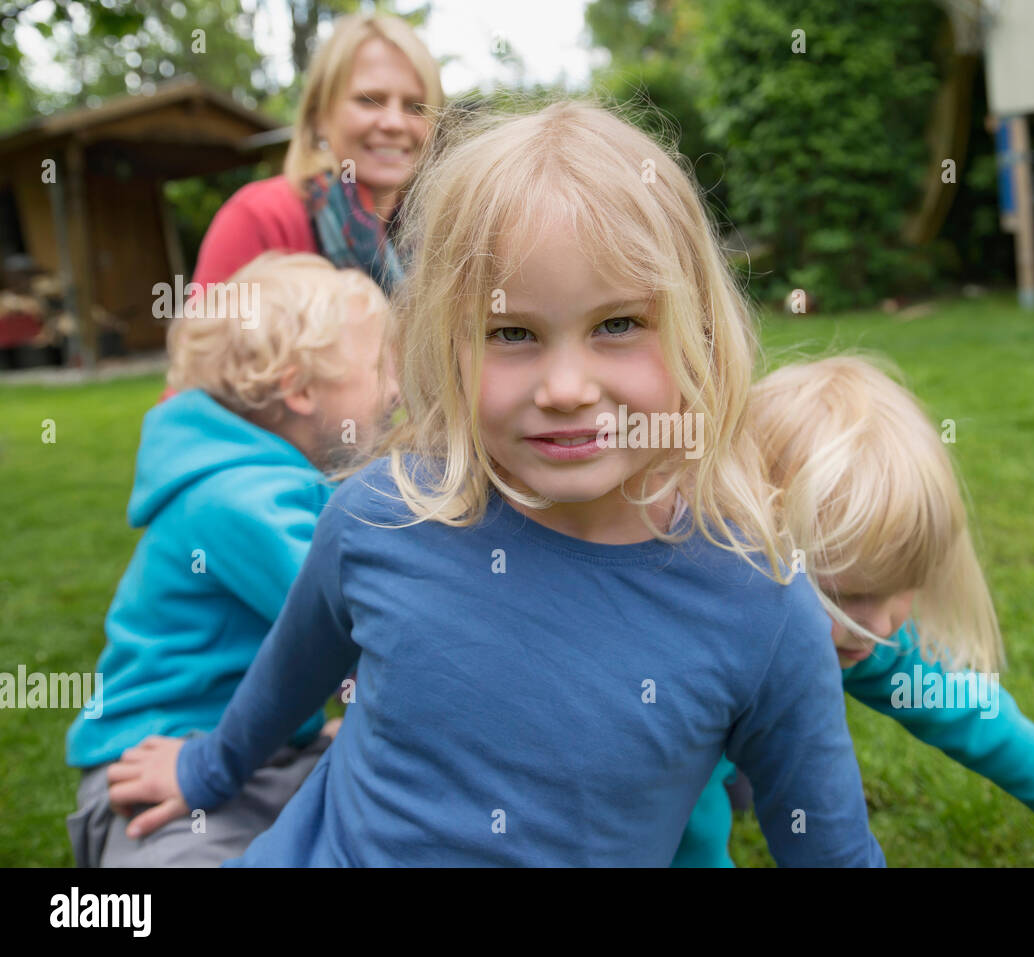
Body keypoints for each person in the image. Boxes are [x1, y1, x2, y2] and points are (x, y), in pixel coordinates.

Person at [102, 100, 885, 867]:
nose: (568, 386)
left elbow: (830, 844)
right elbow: (286, 675)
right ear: (447, 347)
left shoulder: (761, 603)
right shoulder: (381, 515)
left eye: (617, 324)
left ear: (701, 331)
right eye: (513, 333)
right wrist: (205, 769)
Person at [672, 356, 1034, 868]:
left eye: (903, 589)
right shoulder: (685, 660)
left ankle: (744, 764)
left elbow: (986, 725)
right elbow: (680, 840)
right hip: (687, 752)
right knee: (699, 780)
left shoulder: (862, 634)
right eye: (846, 597)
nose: (882, 626)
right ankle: (734, 764)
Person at [65, 253, 396, 866]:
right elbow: (364, 621)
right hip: (160, 766)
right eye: (381, 367)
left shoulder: (272, 481)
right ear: (299, 388)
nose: (398, 388)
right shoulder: (237, 499)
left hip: (260, 751)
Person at [191, 14, 443, 293]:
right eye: (369, 100)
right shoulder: (260, 218)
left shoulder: (442, 230)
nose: (395, 123)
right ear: (319, 116)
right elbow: (201, 336)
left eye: (416, 106)